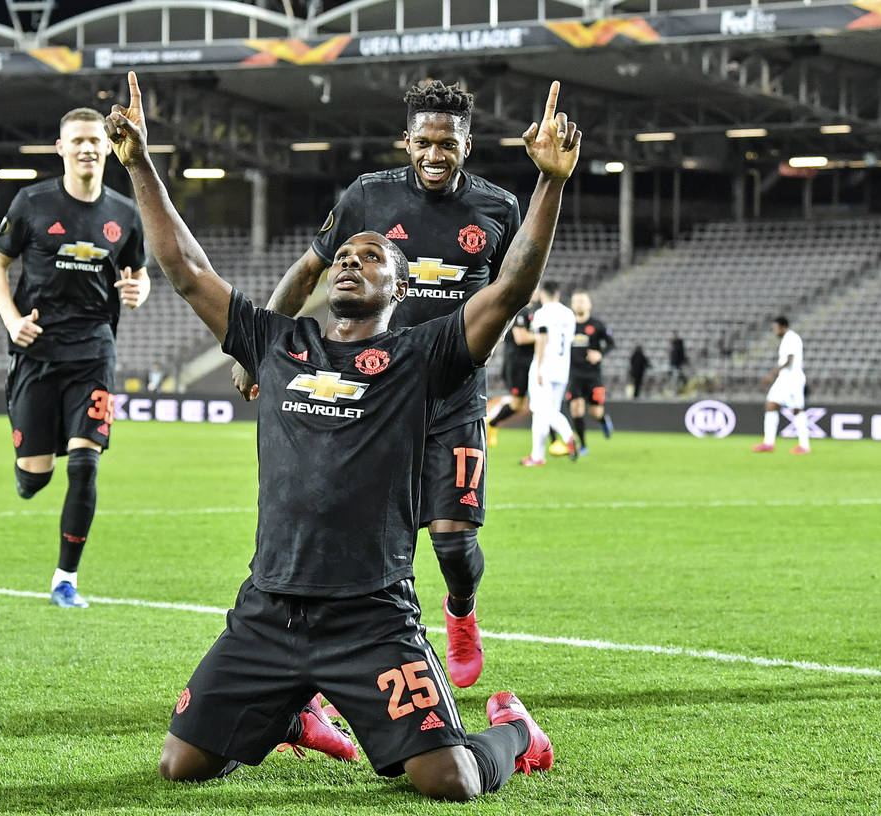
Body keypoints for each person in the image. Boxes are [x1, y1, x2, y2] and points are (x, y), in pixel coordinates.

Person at [107, 70, 576, 801]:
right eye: (345, 257)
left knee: (448, 780)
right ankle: (285, 714)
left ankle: (516, 729)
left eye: (373, 259)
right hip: (268, 610)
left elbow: (510, 287)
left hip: (370, 618)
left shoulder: (421, 359)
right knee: (181, 768)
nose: (353, 261)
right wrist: (138, 163)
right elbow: (186, 267)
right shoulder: (277, 342)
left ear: (401, 288)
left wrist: (549, 183)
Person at [229, 79, 524, 689]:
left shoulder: (499, 210)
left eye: (448, 144)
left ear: (467, 143)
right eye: (423, 142)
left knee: (452, 540)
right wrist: (260, 351)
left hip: (450, 393)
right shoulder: (368, 196)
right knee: (355, 535)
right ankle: (334, 666)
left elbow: (507, 294)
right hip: (373, 394)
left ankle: (461, 612)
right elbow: (311, 268)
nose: (434, 155)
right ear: (407, 141)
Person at [0, 105, 151, 608]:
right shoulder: (32, 203)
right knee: (34, 478)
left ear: (107, 147)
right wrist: (12, 320)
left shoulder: (124, 213)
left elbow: (137, 271)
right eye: (76, 140)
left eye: (94, 140)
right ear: (61, 148)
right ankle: (31, 466)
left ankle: (65, 579)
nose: (86, 148)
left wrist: (138, 289)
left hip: (94, 351)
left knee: (85, 463)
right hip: (36, 350)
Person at [521, 280, 578, 466]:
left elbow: (542, 339)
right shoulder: (569, 314)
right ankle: (537, 455)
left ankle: (568, 435)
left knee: (542, 409)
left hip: (544, 366)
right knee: (543, 413)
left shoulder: (542, 313)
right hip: (562, 368)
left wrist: (538, 366)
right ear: (558, 294)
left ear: (543, 294)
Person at [485, 290, 539, 448]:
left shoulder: (532, 312)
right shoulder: (520, 310)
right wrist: (545, 337)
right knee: (518, 404)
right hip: (517, 365)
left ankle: (555, 441)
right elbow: (521, 338)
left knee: (535, 403)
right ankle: (492, 424)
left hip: (527, 364)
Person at [567, 289, 614, 456]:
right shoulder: (567, 324)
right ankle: (583, 445)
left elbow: (611, 343)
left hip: (593, 375)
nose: (579, 304)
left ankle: (602, 420)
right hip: (574, 374)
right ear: (572, 305)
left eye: (582, 301)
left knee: (595, 411)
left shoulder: (597, 325)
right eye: (576, 301)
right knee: (576, 409)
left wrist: (600, 354)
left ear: (589, 304)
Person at [754, 315, 810, 455]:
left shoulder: (791, 338)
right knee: (772, 405)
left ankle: (803, 445)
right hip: (787, 378)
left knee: (796, 409)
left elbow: (789, 360)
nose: (774, 330)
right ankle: (769, 443)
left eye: (775, 327)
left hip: (791, 378)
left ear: (782, 327)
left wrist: (772, 374)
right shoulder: (788, 338)